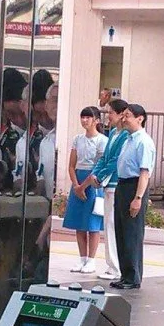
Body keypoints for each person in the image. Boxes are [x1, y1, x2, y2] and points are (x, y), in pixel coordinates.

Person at [75, 99, 130, 280]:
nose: (109, 117)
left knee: (112, 225)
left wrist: (99, 176)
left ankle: (116, 267)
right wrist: (95, 175)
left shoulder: (124, 136)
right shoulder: (114, 132)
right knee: (108, 225)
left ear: (121, 114)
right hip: (104, 183)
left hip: (114, 184)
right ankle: (111, 265)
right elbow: (104, 158)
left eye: (111, 113)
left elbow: (115, 161)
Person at [111, 104, 155, 290]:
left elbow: (144, 172)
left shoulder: (143, 141)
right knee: (121, 231)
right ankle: (125, 274)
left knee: (132, 233)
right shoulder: (128, 139)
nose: (124, 118)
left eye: (128, 115)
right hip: (122, 185)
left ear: (140, 118)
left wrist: (138, 198)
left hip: (134, 186)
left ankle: (133, 276)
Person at [63, 106, 108, 274]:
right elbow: (71, 165)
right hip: (78, 180)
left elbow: (99, 166)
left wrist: (84, 186)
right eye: (82, 117)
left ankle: (91, 260)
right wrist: (76, 185)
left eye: (88, 117)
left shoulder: (102, 140)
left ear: (96, 120)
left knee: (92, 224)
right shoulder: (77, 139)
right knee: (79, 223)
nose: (84, 120)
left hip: (93, 182)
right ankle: (82, 258)